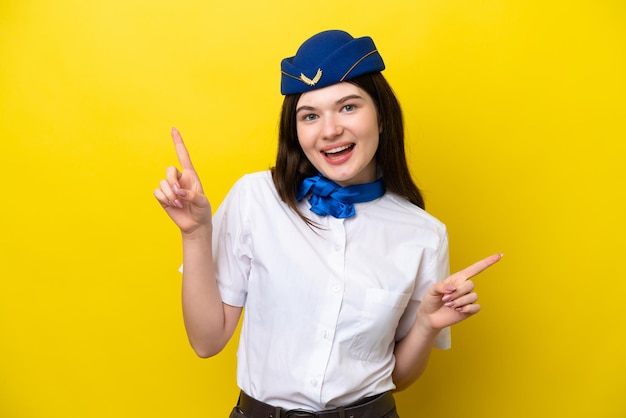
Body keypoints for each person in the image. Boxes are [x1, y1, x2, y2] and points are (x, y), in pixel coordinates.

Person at [154, 29, 502, 418]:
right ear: (295, 130)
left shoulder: (424, 234)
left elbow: (396, 378)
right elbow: (207, 340)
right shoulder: (255, 198)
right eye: (310, 116)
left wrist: (425, 325)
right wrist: (196, 232)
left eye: (349, 107)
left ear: (383, 117)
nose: (330, 130)